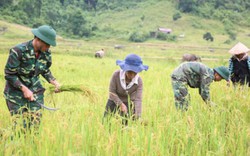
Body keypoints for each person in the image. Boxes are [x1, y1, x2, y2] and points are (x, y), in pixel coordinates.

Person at [4, 25, 60, 130]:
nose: (48, 47)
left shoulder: (46, 53)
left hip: (36, 92)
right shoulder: (18, 51)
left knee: (34, 125)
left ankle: (32, 145)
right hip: (15, 94)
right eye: (47, 44)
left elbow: (45, 69)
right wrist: (24, 89)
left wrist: (55, 82)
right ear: (38, 39)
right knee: (19, 126)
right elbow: (9, 74)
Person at [103, 54, 148, 125]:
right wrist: (121, 104)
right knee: (106, 122)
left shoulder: (139, 81)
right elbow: (112, 93)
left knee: (124, 126)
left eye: (135, 73)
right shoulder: (116, 75)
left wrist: (138, 115)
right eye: (129, 72)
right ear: (125, 69)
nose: (132, 75)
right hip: (113, 101)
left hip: (128, 103)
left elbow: (138, 99)